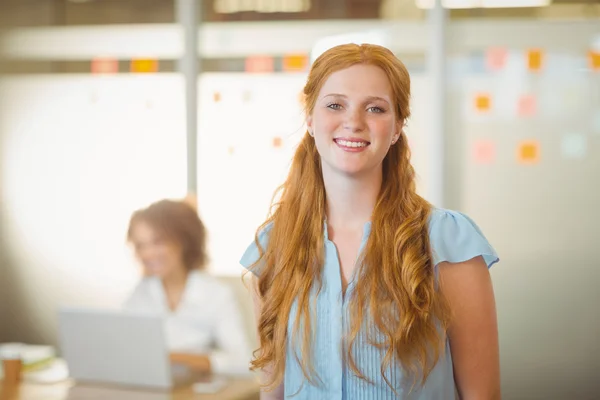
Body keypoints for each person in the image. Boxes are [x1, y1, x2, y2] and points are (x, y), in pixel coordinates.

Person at [240, 43, 500, 399]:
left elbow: (481, 395)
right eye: (335, 105)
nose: (354, 122)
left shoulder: (447, 242)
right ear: (311, 119)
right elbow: (274, 393)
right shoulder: (273, 248)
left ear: (396, 128)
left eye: (375, 108)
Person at [124, 198, 252, 376]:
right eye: (140, 245)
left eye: (158, 242)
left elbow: (243, 362)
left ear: (182, 241)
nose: (147, 254)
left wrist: (179, 359)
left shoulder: (216, 294)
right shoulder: (141, 292)